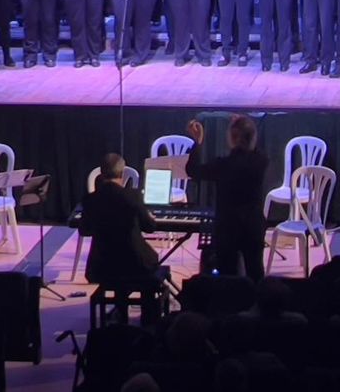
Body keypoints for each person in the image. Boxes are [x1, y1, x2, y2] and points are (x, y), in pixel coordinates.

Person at [80, 153, 165, 324]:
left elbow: (84, 230)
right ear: (123, 173)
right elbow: (150, 227)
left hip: (102, 266)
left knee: (120, 267)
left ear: (101, 173)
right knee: (148, 267)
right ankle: (148, 323)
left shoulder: (90, 199)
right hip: (135, 264)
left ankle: (120, 315)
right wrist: (148, 216)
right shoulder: (133, 197)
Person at [186, 115, 268, 281]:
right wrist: (246, 129)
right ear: (253, 137)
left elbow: (193, 170)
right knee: (255, 272)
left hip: (228, 228)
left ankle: (230, 305)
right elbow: (253, 149)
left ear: (232, 138)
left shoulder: (222, 165)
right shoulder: (261, 162)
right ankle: (258, 305)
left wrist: (197, 142)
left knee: (227, 275)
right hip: (253, 225)